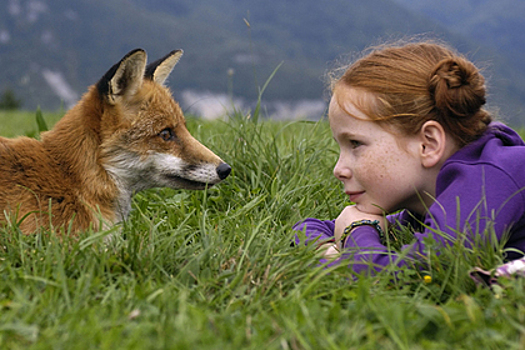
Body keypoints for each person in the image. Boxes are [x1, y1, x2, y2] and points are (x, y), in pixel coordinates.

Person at [293, 40, 525, 276]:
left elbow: (410, 275)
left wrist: (356, 233)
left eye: (356, 144)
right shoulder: (426, 199)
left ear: (428, 144)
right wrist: (332, 252)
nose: (338, 169)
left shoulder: (487, 181)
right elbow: (307, 228)